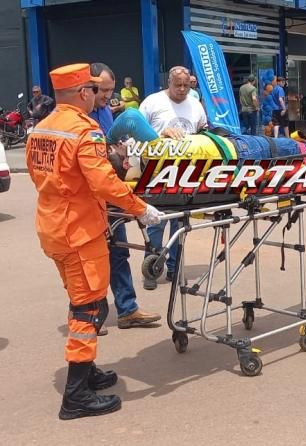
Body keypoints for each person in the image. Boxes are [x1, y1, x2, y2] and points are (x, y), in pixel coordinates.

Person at [26, 63, 162, 420]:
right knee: (88, 308)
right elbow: (102, 181)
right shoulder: (84, 130)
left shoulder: (42, 128)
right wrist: (140, 208)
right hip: (79, 232)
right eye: (94, 90)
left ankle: (88, 372)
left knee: (83, 299)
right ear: (83, 92)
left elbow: (40, 177)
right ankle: (76, 396)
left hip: (53, 228)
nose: (97, 95)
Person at [89, 62, 162, 329]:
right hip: (89, 199)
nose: (108, 96)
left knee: (119, 252)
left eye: (111, 90)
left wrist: (121, 151)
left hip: (112, 191)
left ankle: (128, 310)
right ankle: (90, 316)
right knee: (93, 258)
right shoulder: (78, 117)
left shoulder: (105, 111)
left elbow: (109, 145)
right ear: (88, 88)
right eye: (103, 90)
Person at [138, 65, 208, 290]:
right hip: (157, 174)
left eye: (186, 85)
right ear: (168, 82)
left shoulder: (195, 104)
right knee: (156, 223)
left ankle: (175, 268)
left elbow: (203, 131)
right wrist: (161, 134)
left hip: (186, 174)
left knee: (180, 224)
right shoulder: (152, 102)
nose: (182, 89)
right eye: (178, 85)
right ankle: (152, 269)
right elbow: (136, 132)